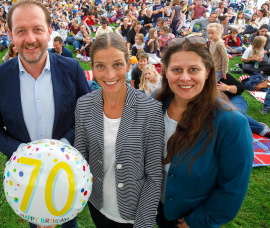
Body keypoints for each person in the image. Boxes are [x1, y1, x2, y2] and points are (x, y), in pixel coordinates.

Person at [0, 0, 89, 228]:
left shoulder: (72, 69)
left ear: (49, 31)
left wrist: (64, 145)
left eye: (38, 29)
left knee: (70, 220)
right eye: (21, 31)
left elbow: (86, 115)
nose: (30, 39)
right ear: (10, 34)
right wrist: (21, 152)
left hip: (66, 168)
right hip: (27, 173)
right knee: (37, 221)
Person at [155, 36, 253, 228]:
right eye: (176, 70)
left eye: (193, 69)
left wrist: (199, 221)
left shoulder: (231, 123)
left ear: (208, 72)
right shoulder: (156, 104)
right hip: (160, 210)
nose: (184, 77)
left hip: (191, 220)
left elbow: (233, 186)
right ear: (165, 72)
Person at [74, 32, 164, 228]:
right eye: (100, 66)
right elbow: (79, 160)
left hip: (134, 213)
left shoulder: (150, 110)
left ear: (129, 65)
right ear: (92, 68)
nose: (109, 75)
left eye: (117, 65)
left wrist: (144, 223)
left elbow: (154, 175)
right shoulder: (83, 105)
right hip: (98, 206)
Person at [217, 73, 270, 137]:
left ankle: (263, 130)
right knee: (227, 119)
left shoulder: (223, 76)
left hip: (234, 99)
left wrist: (227, 87)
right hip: (221, 105)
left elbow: (241, 88)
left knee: (235, 112)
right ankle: (251, 123)